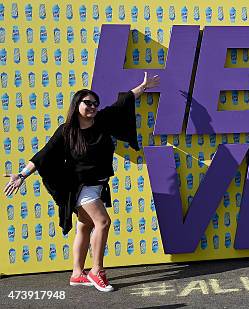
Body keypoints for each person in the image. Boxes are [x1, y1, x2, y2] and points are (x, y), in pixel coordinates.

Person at [4, 72, 160, 292]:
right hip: (80, 187)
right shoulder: (66, 132)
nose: (93, 107)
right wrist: (21, 175)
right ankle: (97, 271)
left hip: (97, 184)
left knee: (85, 226)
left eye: (95, 103)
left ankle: (77, 273)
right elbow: (43, 155)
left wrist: (143, 87)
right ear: (77, 104)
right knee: (103, 222)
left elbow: (123, 102)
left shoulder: (102, 121)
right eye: (88, 103)